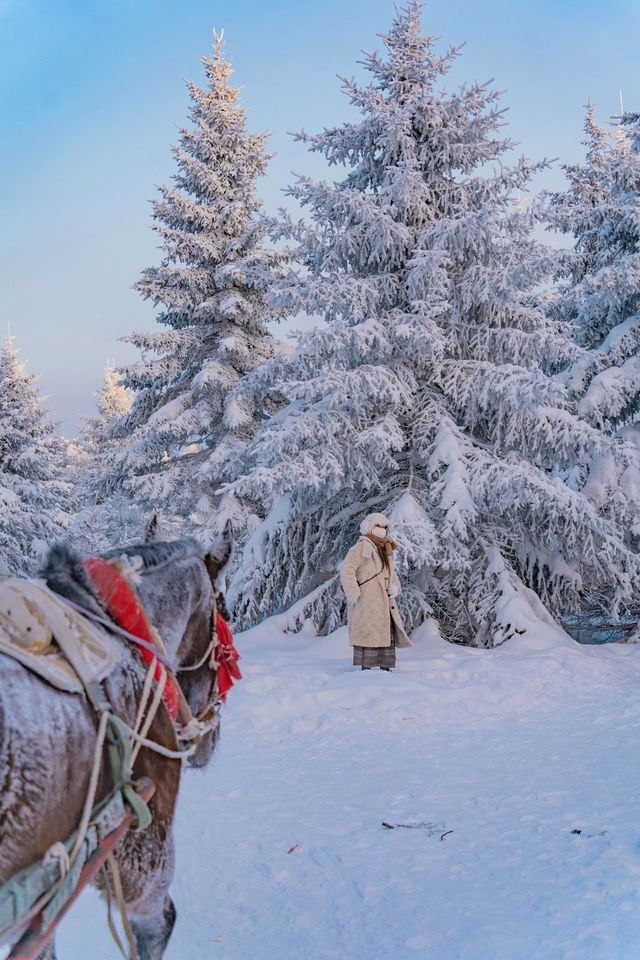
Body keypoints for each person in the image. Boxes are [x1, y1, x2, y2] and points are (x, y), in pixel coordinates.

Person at [340, 513, 412, 671]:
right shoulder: (360, 547)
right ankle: (367, 670)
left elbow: (391, 573)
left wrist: (395, 587)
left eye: (384, 527)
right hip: (366, 601)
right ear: (370, 528)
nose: (382, 530)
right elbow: (347, 570)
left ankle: (385, 669)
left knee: (383, 633)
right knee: (369, 633)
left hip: (384, 601)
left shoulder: (384, 549)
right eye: (378, 526)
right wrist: (352, 591)